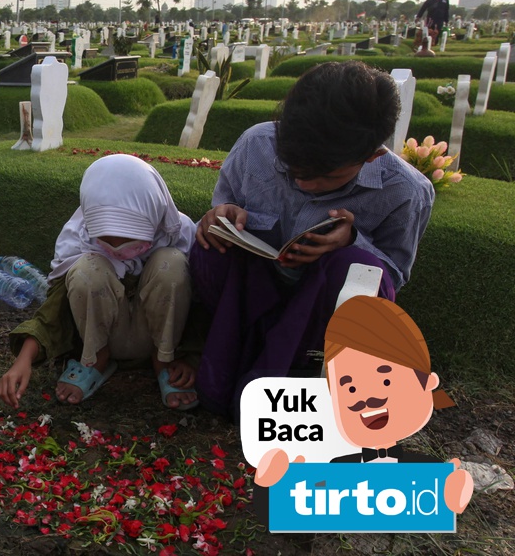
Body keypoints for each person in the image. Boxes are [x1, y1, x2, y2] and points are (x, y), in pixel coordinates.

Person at [190, 60, 435, 421]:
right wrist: (220, 216)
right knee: (210, 247)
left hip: (319, 311)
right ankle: (220, 358)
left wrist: (352, 241)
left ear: (371, 155)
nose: (305, 184)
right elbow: (223, 210)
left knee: (361, 270)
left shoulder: (405, 191)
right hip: (249, 290)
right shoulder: (257, 144)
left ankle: (299, 382)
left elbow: (392, 277)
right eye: (293, 170)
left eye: (325, 176)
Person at [0, 155, 198, 409]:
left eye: (134, 243)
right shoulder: (78, 239)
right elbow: (54, 308)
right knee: (85, 269)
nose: (119, 253)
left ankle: (163, 360)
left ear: (155, 215)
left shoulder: (179, 234)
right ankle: (96, 360)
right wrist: (24, 359)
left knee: (172, 263)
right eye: (107, 244)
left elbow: (200, 304)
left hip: (162, 340)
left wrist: (194, 358)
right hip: (98, 338)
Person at [253, 296, 473, 516]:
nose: (366, 399)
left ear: (427, 382)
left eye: (385, 381)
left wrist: (449, 493)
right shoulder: (339, 467)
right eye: (350, 389)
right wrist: (280, 485)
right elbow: (303, 500)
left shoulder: (422, 471)